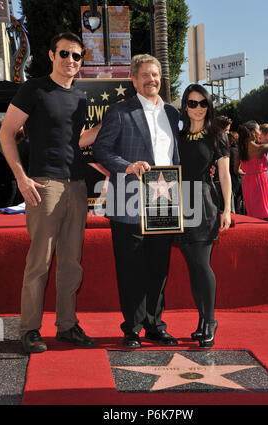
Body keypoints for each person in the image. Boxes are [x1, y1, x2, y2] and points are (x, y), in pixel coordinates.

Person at [0, 32, 99, 353]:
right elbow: (6, 133)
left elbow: (76, 141)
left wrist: (107, 124)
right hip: (44, 186)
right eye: (65, 54)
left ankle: (67, 326)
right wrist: (22, 178)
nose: (71, 60)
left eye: (77, 56)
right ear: (51, 55)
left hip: (77, 185)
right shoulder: (34, 89)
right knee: (39, 262)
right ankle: (29, 329)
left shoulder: (81, 98)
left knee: (72, 263)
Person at [93, 54, 180, 349]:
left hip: (164, 198)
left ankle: (155, 325)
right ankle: (131, 328)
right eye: (145, 75)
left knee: (158, 266)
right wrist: (127, 166)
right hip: (128, 199)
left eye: (155, 74)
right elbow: (101, 150)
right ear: (133, 79)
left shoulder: (172, 113)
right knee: (130, 268)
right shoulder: (120, 112)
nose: (151, 79)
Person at [177, 84, 232, 348]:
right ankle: (202, 320)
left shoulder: (216, 134)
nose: (197, 108)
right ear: (184, 106)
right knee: (193, 267)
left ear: (209, 106)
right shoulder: (177, 135)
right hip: (178, 204)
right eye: (192, 103)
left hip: (203, 202)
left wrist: (228, 209)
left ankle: (210, 320)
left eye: (202, 103)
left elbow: (224, 175)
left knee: (201, 263)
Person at [228, 131, 244, 214]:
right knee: (238, 206)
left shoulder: (232, 151)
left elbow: (234, 168)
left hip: (234, 182)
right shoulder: (238, 150)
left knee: (235, 208)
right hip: (238, 181)